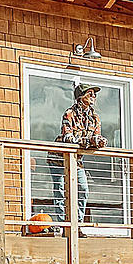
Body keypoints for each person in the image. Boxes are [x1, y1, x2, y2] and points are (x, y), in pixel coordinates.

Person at [48, 83, 108, 228]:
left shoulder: (95, 118)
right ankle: (65, 226)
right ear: (81, 97)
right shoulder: (69, 114)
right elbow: (68, 137)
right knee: (61, 191)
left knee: (83, 189)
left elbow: (96, 137)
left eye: (95, 94)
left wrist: (99, 141)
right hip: (58, 159)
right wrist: (87, 141)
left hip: (76, 160)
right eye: (90, 93)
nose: (94, 96)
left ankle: (77, 226)